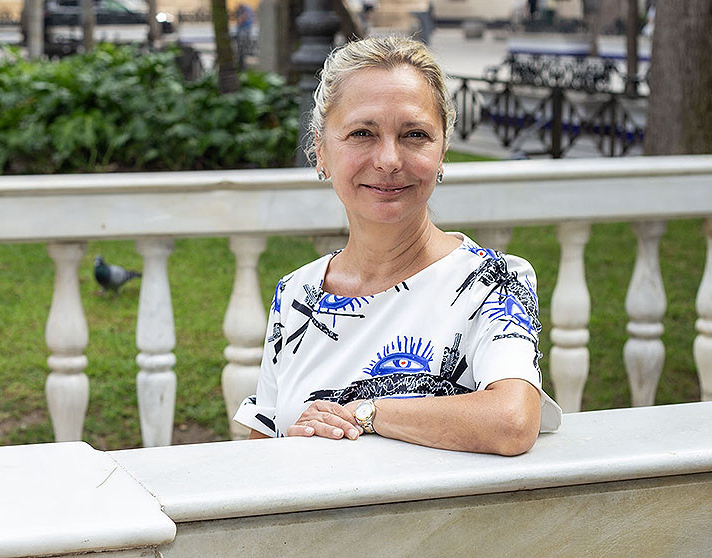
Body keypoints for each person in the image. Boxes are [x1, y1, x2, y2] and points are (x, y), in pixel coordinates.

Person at [233, 36, 561, 456]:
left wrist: (364, 413)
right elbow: (259, 455)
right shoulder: (297, 294)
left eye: (414, 134)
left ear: (442, 151)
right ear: (321, 150)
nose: (388, 160)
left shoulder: (492, 282)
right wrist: (297, 450)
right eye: (362, 133)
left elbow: (512, 421)